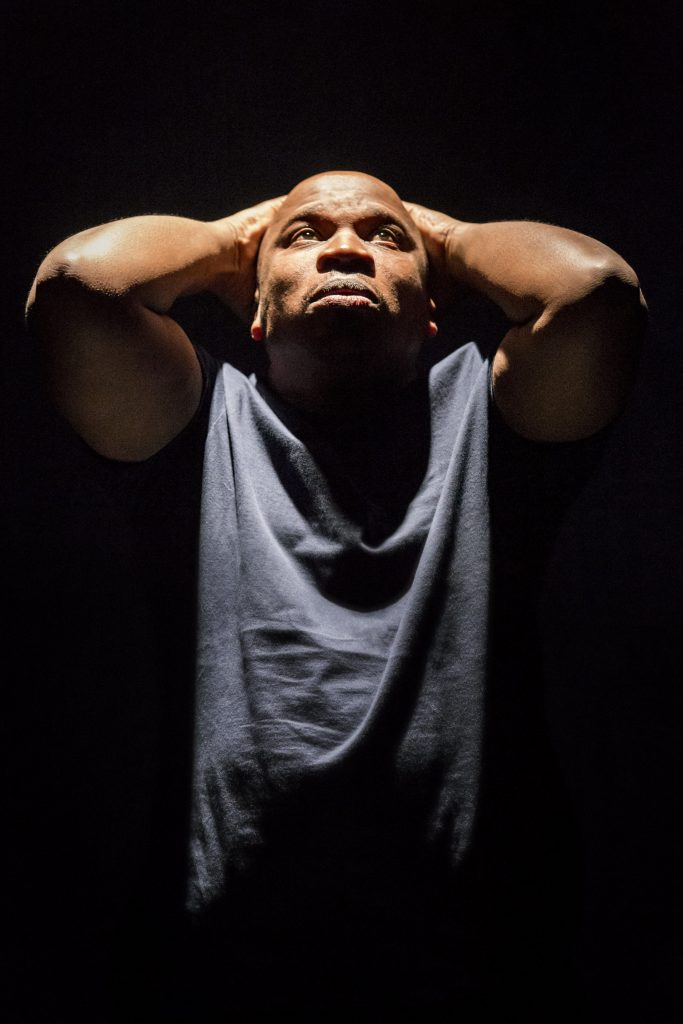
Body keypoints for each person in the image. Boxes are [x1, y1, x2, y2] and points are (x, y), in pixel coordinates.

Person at [24, 171, 647, 1019]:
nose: (346, 247)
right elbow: (75, 287)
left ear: (432, 304)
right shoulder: (200, 419)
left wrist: (447, 237)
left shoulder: (491, 414)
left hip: (476, 970)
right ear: (254, 304)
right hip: (224, 976)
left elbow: (595, 291)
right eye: (305, 236)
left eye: (386, 239)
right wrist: (233, 233)